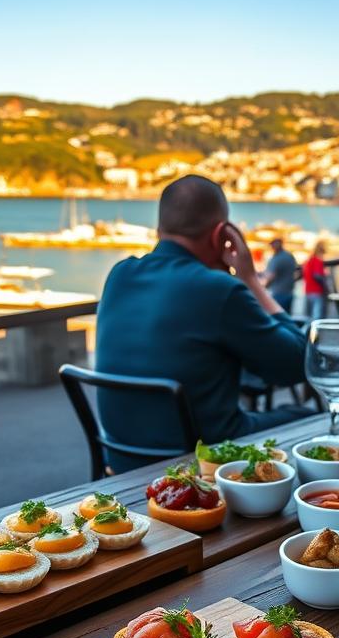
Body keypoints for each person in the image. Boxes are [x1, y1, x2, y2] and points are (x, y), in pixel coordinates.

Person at [95, 175, 310, 473]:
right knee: (307, 415)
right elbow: (297, 364)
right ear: (222, 235)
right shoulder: (220, 289)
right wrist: (250, 279)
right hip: (203, 457)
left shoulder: (119, 275)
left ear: (160, 229)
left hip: (121, 458)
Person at [261, 238, 297, 312]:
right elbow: (296, 271)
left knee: (278, 317)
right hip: (289, 292)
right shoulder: (289, 256)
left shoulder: (277, 258)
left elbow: (271, 276)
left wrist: (263, 288)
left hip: (278, 293)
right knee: (287, 317)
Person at [302, 241, 328, 319]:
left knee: (309, 316)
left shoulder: (309, 260)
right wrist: (326, 287)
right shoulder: (317, 261)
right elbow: (317, 276)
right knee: (317, 317)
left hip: (308, 291)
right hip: (316, 291)